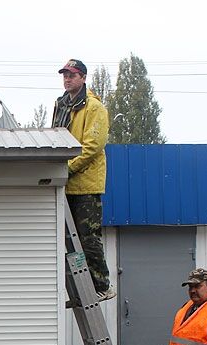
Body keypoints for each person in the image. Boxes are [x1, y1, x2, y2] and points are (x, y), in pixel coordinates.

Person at [52, 58, 114, 301]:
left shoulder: (94, 107)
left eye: (72, 75)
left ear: (83, 78)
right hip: (65, 182)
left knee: (88, 237)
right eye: (65, 75)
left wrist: (68, 167)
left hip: (85, 183)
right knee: (69, 240)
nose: (67, 79)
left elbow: (92, 146)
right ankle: (80, 288)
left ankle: (101, 284)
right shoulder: (61, 105)